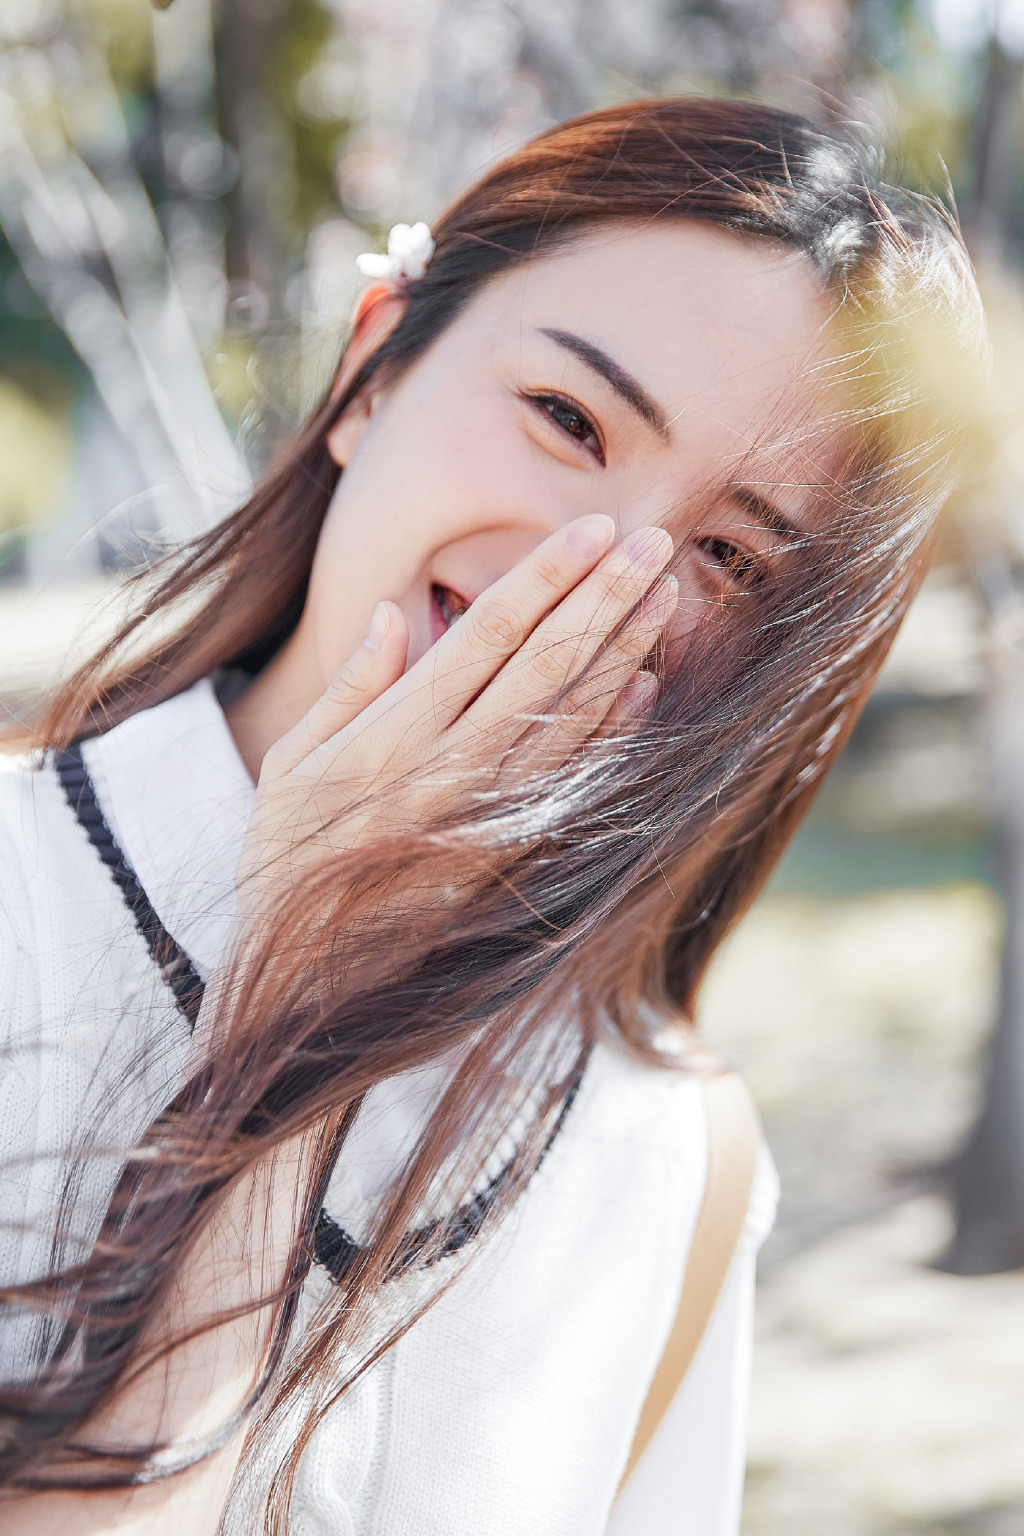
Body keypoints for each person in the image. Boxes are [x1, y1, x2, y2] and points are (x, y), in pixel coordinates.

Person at [0, 97, 985, 1534]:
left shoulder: (664, 1161)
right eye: (567, 420)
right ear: (369, 376)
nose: (599, 570)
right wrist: (299, 996)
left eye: (725, 556)